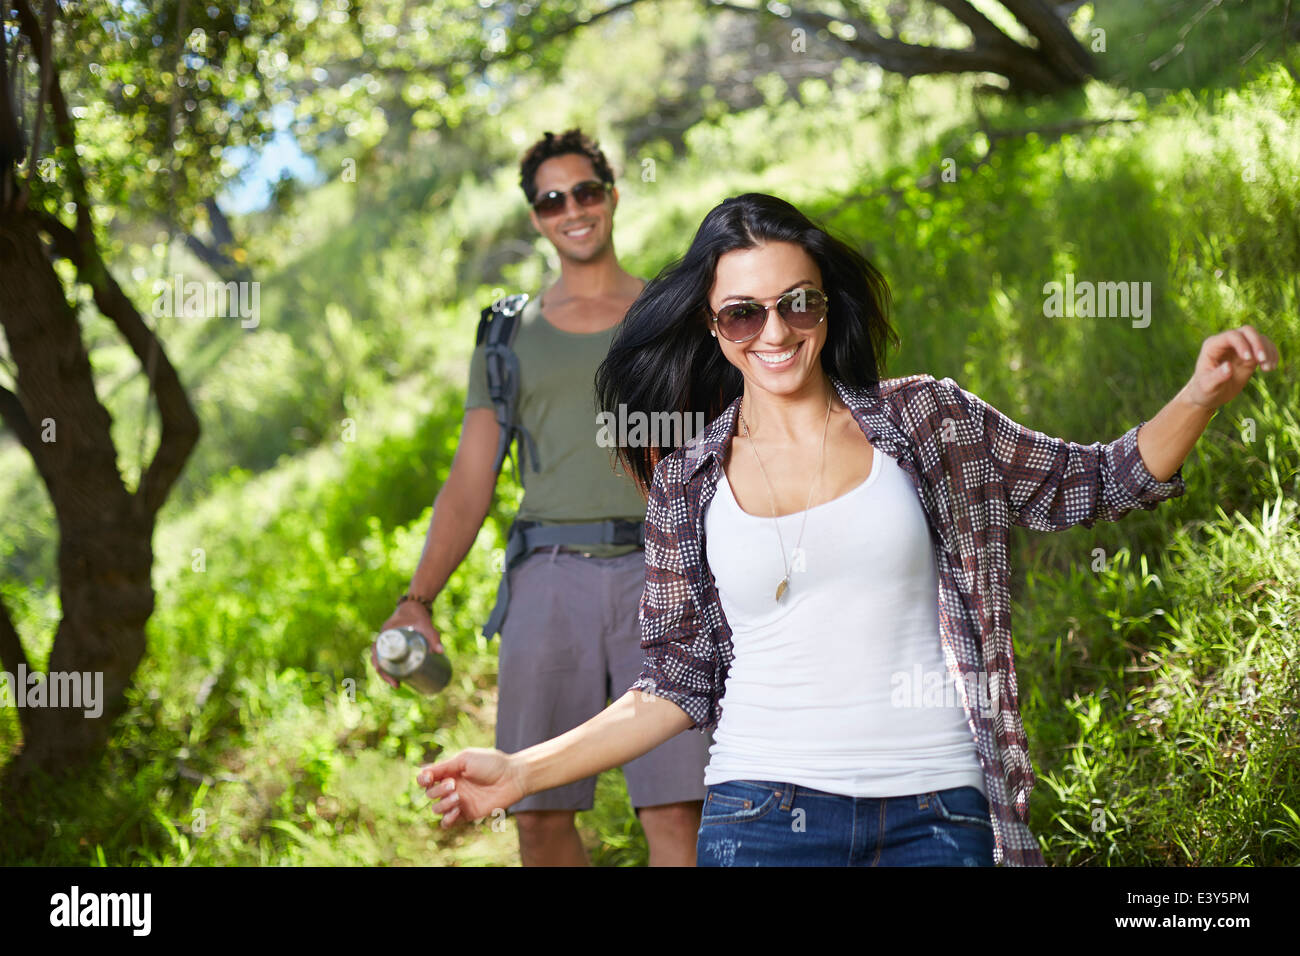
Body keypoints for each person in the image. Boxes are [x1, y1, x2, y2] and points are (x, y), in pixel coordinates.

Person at [414, 192, 1279, 866]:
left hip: (939, 806)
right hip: (761, 815)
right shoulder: (687, 482)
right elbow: (671, 685)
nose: (776, 331)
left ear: (827, 308)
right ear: (714, 329)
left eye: (798, 303)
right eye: (744, 313)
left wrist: (1198, 394)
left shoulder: (928, 423)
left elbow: (1093, 482)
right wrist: (522, 771)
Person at [376, 130, 712, 866]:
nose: (573, 209)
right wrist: (418, 599)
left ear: (612, 196)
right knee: (534, 813)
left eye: (586, 191)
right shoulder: (506, 332)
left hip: (660, 571)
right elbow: (471, 479)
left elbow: (712, 450)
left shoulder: (668, 313)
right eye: (552, 199)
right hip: (547, 577)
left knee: (676, 813)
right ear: (536, 217)